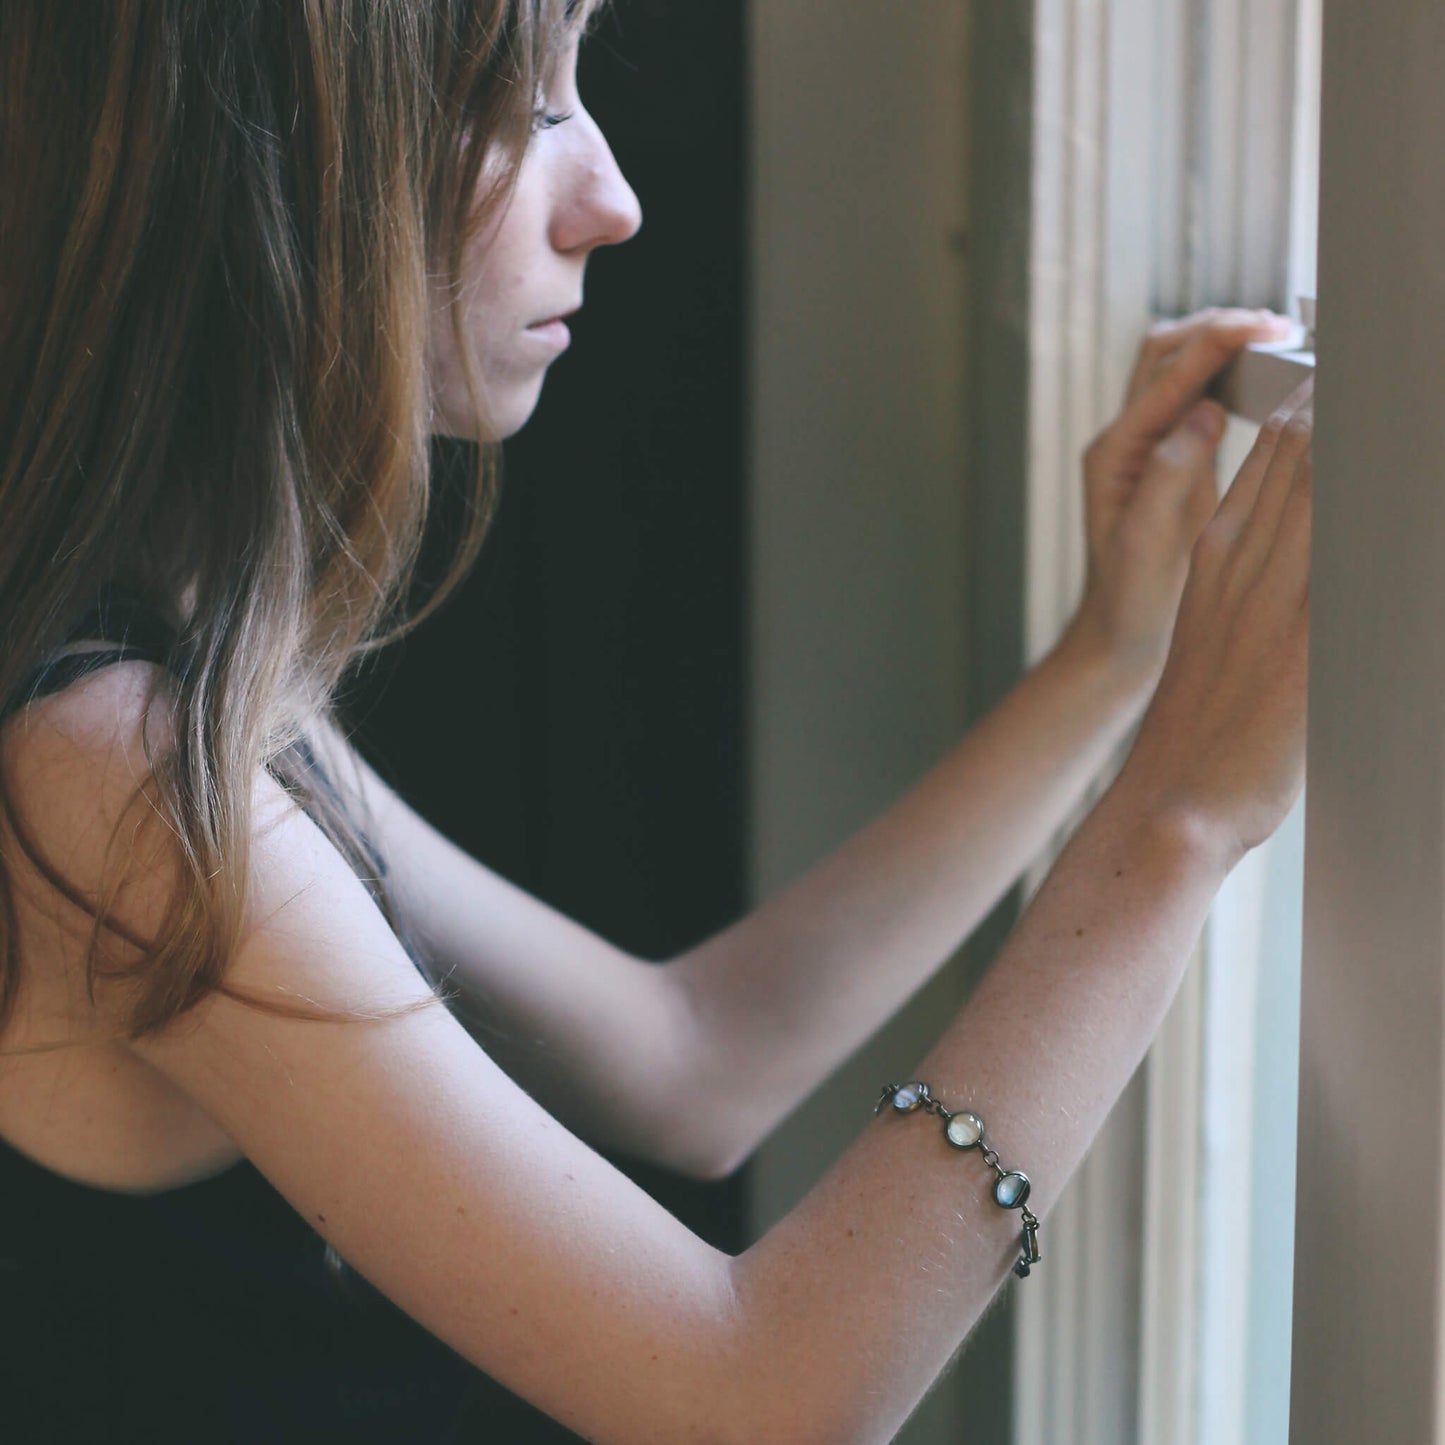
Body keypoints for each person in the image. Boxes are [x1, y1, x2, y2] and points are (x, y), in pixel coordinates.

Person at [0, 1, 1311, 1441]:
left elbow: (697, 1057)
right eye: (524, 104)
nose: (612, 202)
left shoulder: (163, 668)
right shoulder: (113, 771)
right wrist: (1172, 824)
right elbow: (763, 1404)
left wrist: (1110, 661)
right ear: (272, 165)